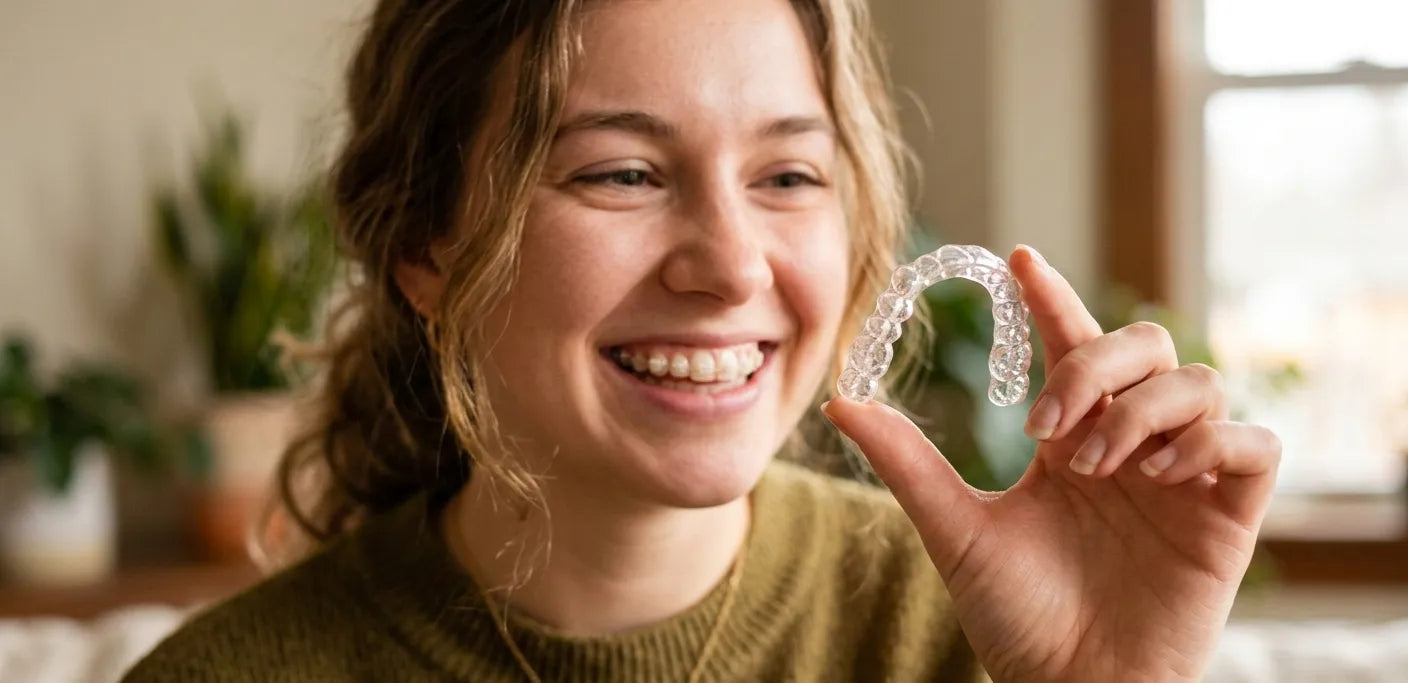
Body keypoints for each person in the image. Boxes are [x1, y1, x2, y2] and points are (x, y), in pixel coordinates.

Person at [122, 0, 1281, 680]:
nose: (731, 265)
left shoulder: (952, 629)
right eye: (621, 172)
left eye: (786, 174)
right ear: (425, 245)